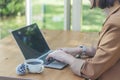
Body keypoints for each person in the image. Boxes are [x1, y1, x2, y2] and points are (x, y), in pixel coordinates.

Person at [46, 0, 120, 80]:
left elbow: (92, 70)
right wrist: (81, 50)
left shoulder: (116, 23)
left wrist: (66, 58)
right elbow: (111, 51)